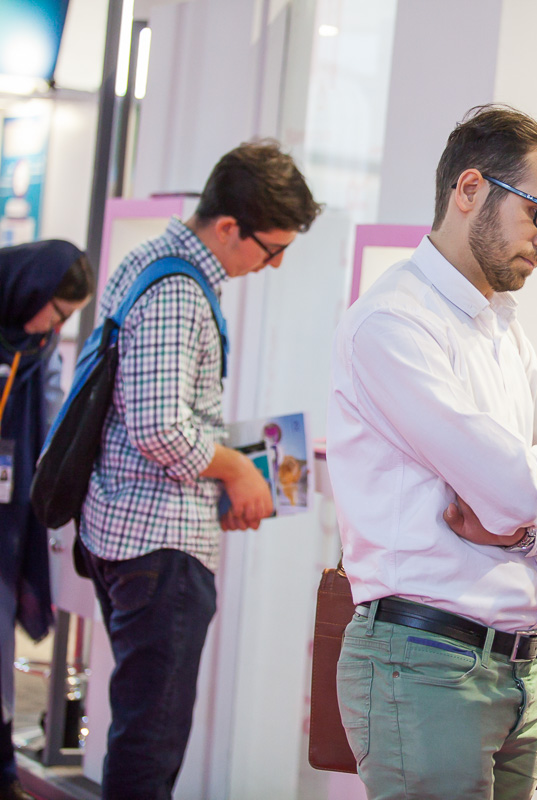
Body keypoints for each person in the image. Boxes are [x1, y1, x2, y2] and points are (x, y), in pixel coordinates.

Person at [326, 105, 537, 800]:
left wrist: (530, 531)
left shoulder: (501, 327)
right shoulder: (393, 323)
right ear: (470, 189)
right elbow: (516, 487)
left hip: (518, 665)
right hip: (425, 662)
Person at [78, 140, 320, 799]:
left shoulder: (149, 261)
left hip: (129, 530)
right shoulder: (180, 291)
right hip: (158, 545)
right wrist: (237, 471)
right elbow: (158, 426)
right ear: (228, 227)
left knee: (142, 728)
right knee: (150, 742)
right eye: (271, 249)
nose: (272, 265)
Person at [0, 240, 93, 800]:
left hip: (8, 516)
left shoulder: (38, 346)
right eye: (55, 312)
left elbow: (53, 414)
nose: (53, 327)